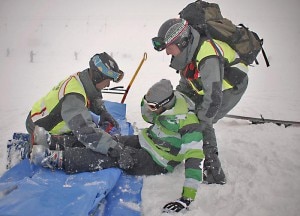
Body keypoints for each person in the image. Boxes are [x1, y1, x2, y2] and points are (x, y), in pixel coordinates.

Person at [31, 79, 205, 213]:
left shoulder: (189, 124)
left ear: (164, 104)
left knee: (109, 157)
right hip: (147, 140)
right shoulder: (166, 103)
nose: (149, 109)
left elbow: (195, 160)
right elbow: (148, 116)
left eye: (153, 106)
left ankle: (54, 158)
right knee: (108, 141)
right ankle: (56, 142)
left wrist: (186, 199)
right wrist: (149, 105)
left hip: (157, 160)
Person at [152, 18, 250, 184]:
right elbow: (185, 82)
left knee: (201, 118)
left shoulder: (207, 55)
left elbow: (213, 99)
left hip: (231, 86)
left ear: (182, 42)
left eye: (169, 47)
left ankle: (213, 169)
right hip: (209, 84)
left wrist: (200, 121)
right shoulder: (189, 50)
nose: (168, 53)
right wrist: (176, 103)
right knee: (186, 107)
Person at [26, 52, 124, 168]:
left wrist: (102, 112)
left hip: (41, 116)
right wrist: (112, 147)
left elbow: (92, 96)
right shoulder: (74, 96)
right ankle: (44, 143)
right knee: (84, 144)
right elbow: (84, 131)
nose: (108, 85)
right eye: (108, 80)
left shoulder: (83, 79)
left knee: (93, 134)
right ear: (98, 76)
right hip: (40, 125)